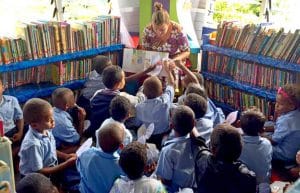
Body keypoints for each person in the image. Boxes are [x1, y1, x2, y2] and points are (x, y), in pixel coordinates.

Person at [19, 98, 77, 177]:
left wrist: (65, 156)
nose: (53, 120)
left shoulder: (46, 130)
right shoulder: (33, 144)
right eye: (49, 120)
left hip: (49, 165)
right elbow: (39, 170)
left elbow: (51, 149)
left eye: (52, 117)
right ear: (34, 125)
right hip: (35, 178)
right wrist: (65, 164)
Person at [194, 123, 257, 193]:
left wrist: (192, 127)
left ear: (213, 150)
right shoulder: (248, 177)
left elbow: (201, 145)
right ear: (240, 148)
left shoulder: (203, 161)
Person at [156, 105, 196, 192]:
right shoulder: (197, 145)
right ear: (194, 124)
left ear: (171, 126)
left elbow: (165, 180)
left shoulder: (168, 151)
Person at [136, 61, 175, 150]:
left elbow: (137, 123)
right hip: (164, 135)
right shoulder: (164, 102)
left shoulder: (139, 107)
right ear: (161, 92)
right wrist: (168, 70)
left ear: (144, 93)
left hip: (148, 137)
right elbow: (172, 84)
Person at [77, 122, 125, 193]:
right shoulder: (122, 166)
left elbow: (79, 167)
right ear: (121, 146)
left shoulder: (87, 153)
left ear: (98, 140)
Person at [238, 108, 272, 193]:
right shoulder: (267, 143)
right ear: (262, 129)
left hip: (246, 186)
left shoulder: (237, 145)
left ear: (239, 124)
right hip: (264, 184)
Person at [265, 84, 300, 166]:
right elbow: (279, 127)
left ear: (291, 106)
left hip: (285, 155)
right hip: (296, 150)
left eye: (280, 104)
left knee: (260, 144)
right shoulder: (296, 112)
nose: (276, 106)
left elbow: (273, 141)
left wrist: (259, 134)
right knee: (269, 124)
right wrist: (264, 128)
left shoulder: (286, 121)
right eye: (276, 102)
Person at [0, 75, 24, 147]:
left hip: (11, 132)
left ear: (3, 87)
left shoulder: (12, 100)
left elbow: (20, 118)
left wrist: (20, 132)